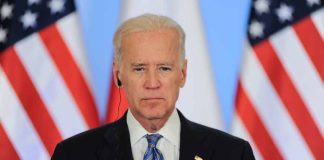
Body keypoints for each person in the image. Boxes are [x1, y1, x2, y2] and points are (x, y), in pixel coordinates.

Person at [51, 13, 255, 160]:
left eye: (164, 68)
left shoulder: (232, 154)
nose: (152, 83)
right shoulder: (73, 154)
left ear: (182, 73)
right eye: (139, 69)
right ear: (118, 74)